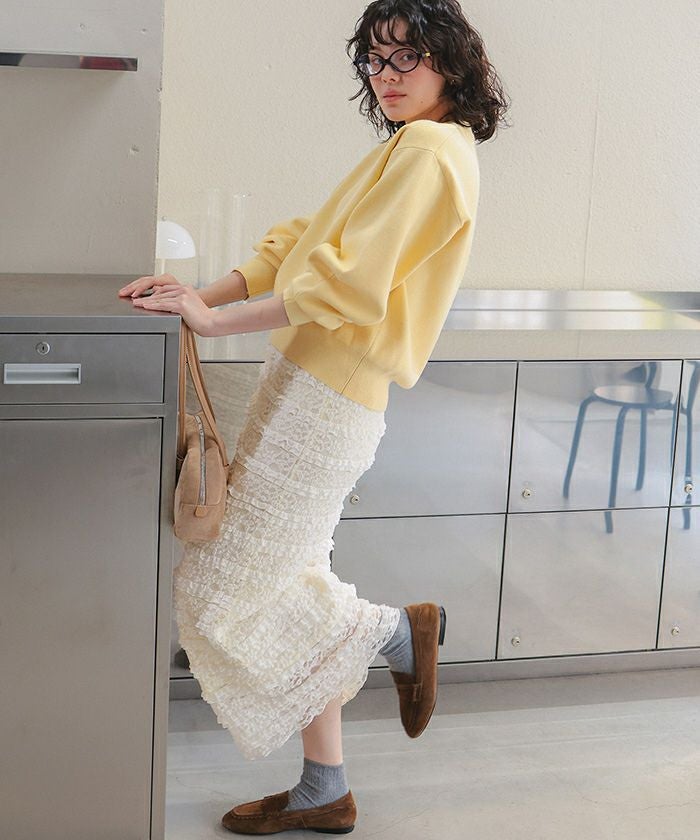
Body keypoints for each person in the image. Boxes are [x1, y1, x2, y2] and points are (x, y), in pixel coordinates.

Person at [119, 0, 508, 834]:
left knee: (221, 588)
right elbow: (303, 243)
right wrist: (195, 295)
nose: (387, 76)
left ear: (450, 60)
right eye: (375, 60)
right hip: (314, 385)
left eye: (405, 58)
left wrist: (214, 320)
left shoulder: (432, 153)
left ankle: (396, 632)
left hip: (329, 398)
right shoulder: (409, 146)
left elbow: (349, 283)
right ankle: (325, 788)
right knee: (290, 580)